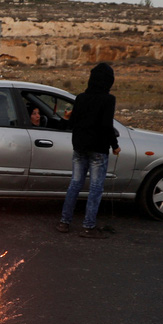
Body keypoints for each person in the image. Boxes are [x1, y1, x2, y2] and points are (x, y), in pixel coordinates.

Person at [56, 62, 121, 238]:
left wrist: (66, 118)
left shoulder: (81, 98)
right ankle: (88, 226)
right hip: (98, 150)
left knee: (75, 185)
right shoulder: (108, 100)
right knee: (95, 188)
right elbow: (107, 126)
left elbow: (73, 123)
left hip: (79, 148)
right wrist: (115, 146)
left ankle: (64, 222)